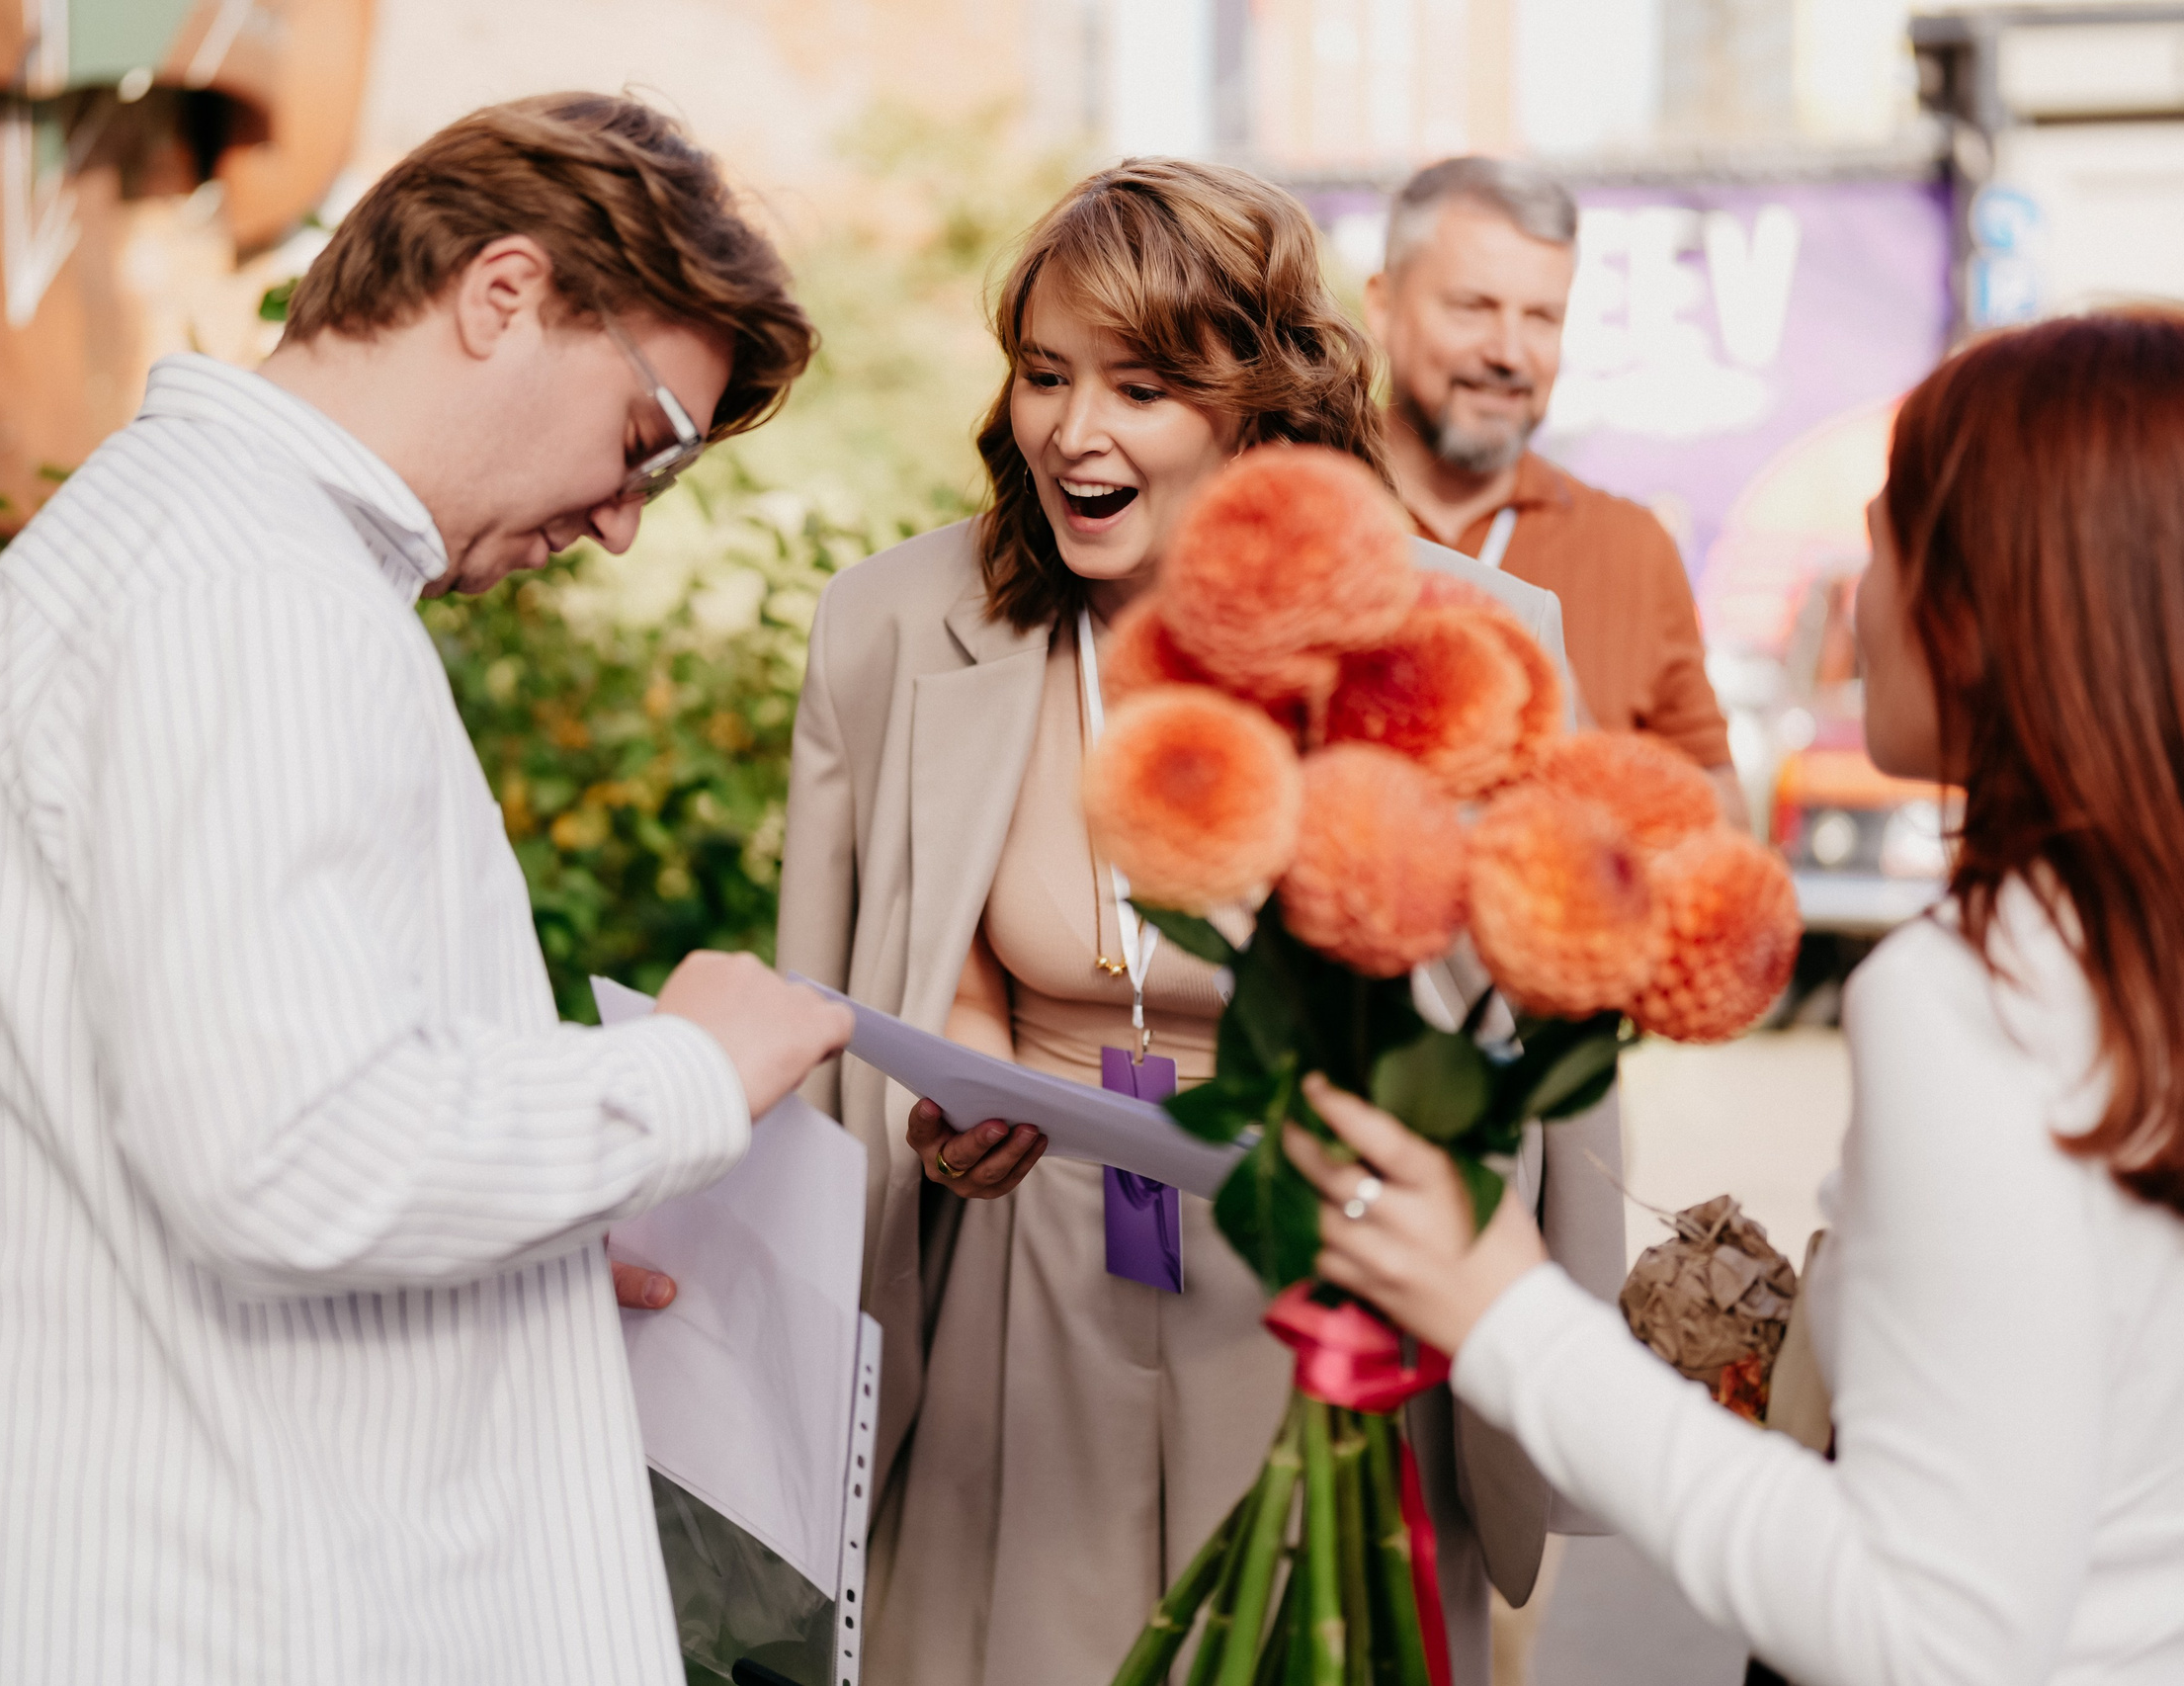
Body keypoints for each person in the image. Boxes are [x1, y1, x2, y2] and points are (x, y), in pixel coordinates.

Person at [0, 94, 853, 1685]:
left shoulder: (184, 540)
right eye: (645, 437)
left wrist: (515, 1274)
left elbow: (237, 1111)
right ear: (504, 293)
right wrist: (687, 1075)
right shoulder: (258, 595)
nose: (619, 523)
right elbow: (286, 1153)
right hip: (224, 1618)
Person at [774, 158, 1623, 1686]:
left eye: (1143, 387)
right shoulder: (890, 626)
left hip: (1325, 1287)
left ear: (1261, 406)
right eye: (1045, 374)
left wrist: (1563, 1365)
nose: (1072, 431)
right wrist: (956, 1073)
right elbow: (869, 955)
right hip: (1012, 1289)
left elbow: (1550, 1036)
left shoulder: (1473, 640)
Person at [1291, 310, 2184, 1684]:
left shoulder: (1973, 997)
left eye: (1888, 541)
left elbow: (1932, 1629)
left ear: (1983, 610)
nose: (1860, 599)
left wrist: (1503, 1306)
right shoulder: (2125, 950)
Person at [1363, 155, 1745, 826]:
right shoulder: (1298, 515)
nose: (1509, 353)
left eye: (1542, 318)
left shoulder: (1633, 548)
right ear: (1383, 306)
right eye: (1473, 308)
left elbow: (1727, 830)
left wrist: (1577, 751)